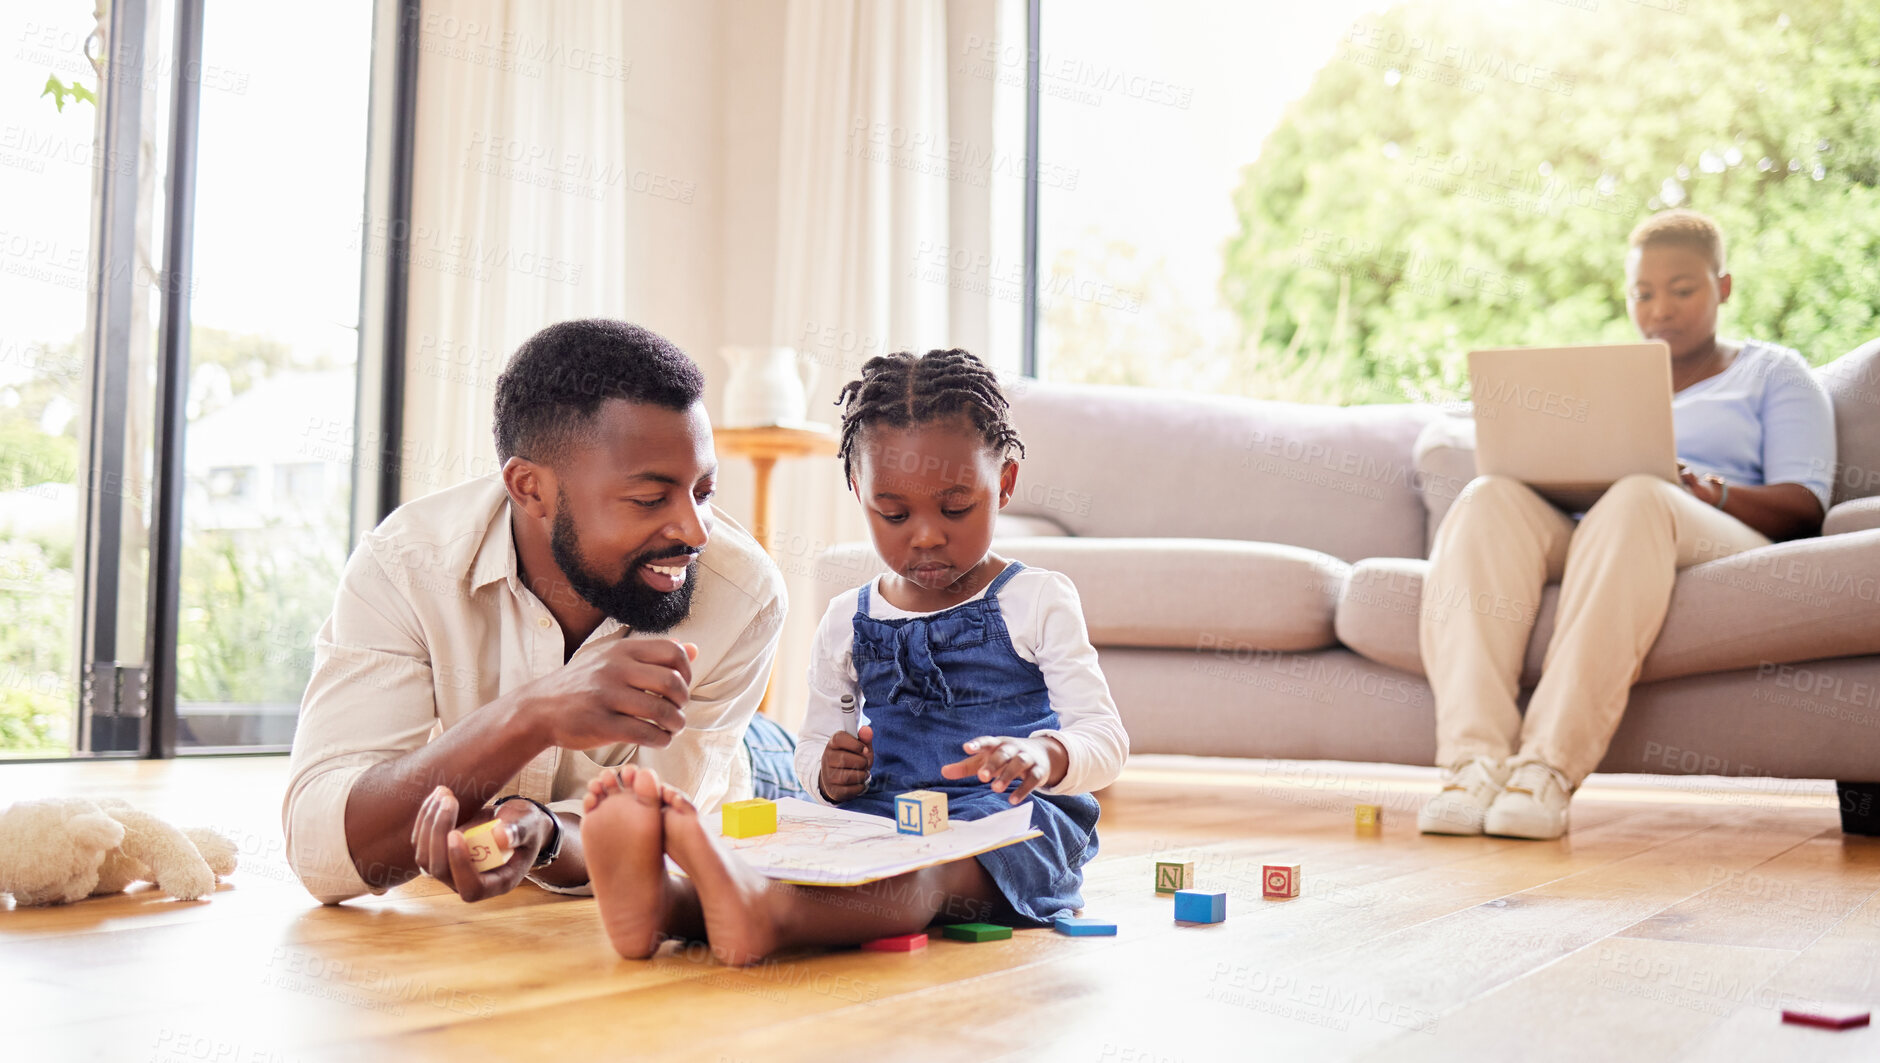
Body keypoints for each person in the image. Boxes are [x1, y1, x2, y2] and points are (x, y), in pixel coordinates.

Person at [579, 348, 1129, 965]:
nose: (925, 534)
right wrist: (828, 775)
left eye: (956, 508)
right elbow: (812, 751)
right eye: (892, 513)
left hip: (1012, 827)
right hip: (887, 816)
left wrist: (1044, 754)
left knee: (923, 877)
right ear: (857, 489)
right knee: (813, 855)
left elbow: (1105, 740)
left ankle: (768, 919)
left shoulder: (1035, 598)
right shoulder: (849, 618)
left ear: (1003, 482)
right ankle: (669, 906)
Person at [283, 319, 798, 905]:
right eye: (650, 499)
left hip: (755, 774)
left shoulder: (743, 594)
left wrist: (545, 833)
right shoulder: (405, 566)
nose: (694, 530)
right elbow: (320, 849)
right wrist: (533, 716)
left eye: (703, 492)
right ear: (529, 488)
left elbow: (658, 830)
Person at [1416, 209, 1836, 840]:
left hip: (1714, 527)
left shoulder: (1776, 372)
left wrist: (1705, 488)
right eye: (1643, 293)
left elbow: (1805, 504)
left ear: (1723, 287)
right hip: (1603, 527)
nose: (1660, 309)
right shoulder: (1606, 382)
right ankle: (1470, 767)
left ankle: (1546, 772)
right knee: (1486, 499)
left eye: (1682, 290)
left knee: (1640, 495)